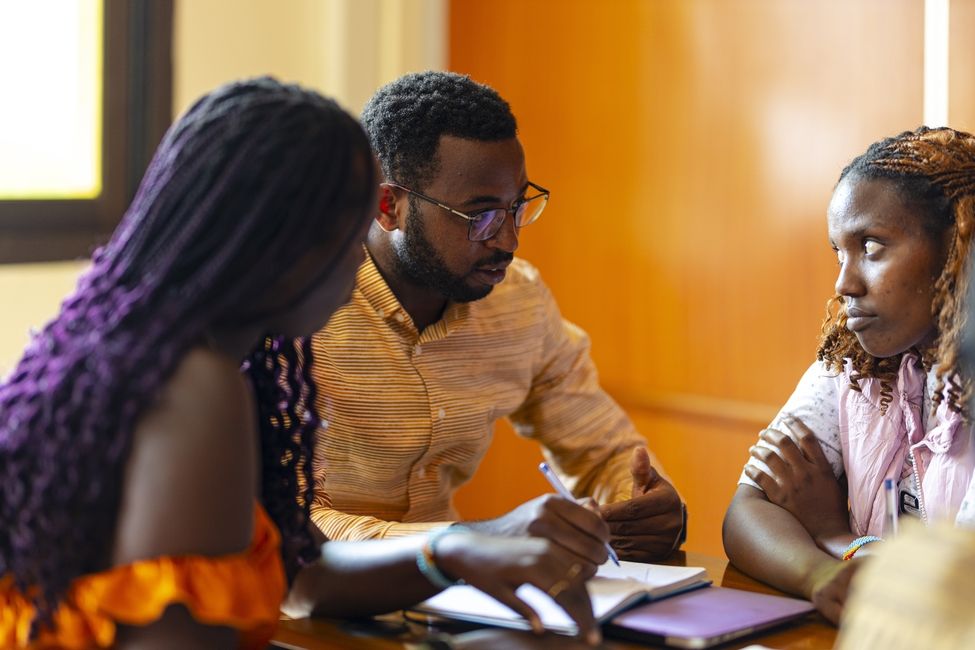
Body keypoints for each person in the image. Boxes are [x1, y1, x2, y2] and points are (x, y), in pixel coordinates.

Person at [0, 77, 608, 649]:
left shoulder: (170, 351)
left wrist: (449, 552)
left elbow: (307, 570)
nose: (357, 269)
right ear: (283, 246)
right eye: (348, 238)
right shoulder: (197, 387)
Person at [304, 70, 686, 562]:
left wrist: (643, 503)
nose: (508, 239)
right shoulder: (303, 309)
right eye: (479, 215)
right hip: (306, 612)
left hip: (452, 599)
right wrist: (469, 543)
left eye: (517, 206)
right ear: (388, 205)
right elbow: (285, 522)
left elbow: (603, 451)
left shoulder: (518, 302)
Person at [723, 126, 975, 624]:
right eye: (839, 251)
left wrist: (834, 534)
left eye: (872, 247)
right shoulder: (855, 362)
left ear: (958, 246)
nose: (845, 282)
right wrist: (821, 578)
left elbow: (954, 593)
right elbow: (747, 511)